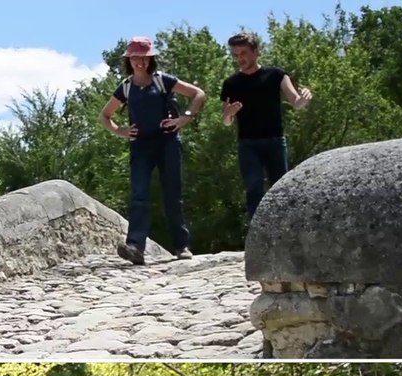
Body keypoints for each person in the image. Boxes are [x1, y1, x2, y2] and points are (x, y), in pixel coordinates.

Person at [101, 36, 207, 266]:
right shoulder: (126, 87)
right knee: (139, 194)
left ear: (151, 59)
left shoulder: (163, 81)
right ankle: (135, 247)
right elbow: (105, 115)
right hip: (140, 146)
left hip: (167, 142)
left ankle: (181, 246)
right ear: (129, 60)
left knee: (172, 194)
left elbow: (198, 94)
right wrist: (121, 131)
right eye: (135, 58)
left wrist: (184, 119)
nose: (140, 62)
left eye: (144, 58)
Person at [220, 31, 313, 221]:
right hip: (248, 144)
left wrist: (304, 99)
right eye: (236, 55)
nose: (240, 59)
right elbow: (226, 121)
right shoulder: (231, 83)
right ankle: (257, 234)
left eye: (244, 53)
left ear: (256, 52)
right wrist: (228, 114)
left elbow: (296, 102)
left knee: (281, 188)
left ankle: (285, 228)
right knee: (254, 187)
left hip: (275, 141)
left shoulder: (276, 75)